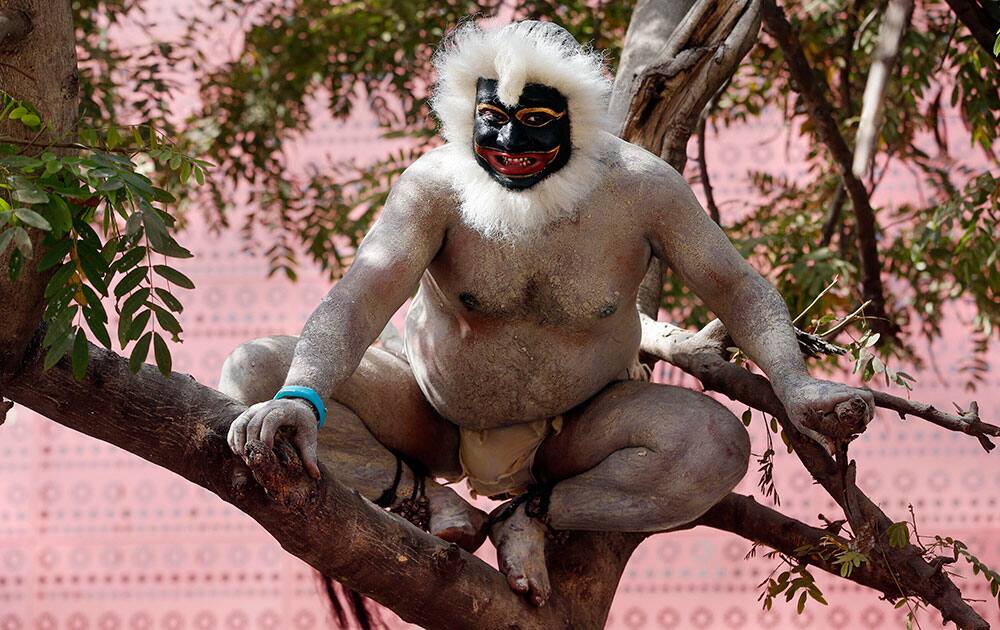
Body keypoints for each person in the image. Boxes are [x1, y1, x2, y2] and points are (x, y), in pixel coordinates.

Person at [221, 20, 873, 606]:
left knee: (714, 447)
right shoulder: (436, 185)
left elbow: (737, 287)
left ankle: (531, 516)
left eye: (535, 120)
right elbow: (360, 296)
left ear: (575, 121)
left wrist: (794, 382)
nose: (509, 142)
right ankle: (417, 498)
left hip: (576, 437)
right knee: (254, 376)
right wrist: (302, 396)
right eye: (493, 119)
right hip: (429, 418)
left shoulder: (641, 190)